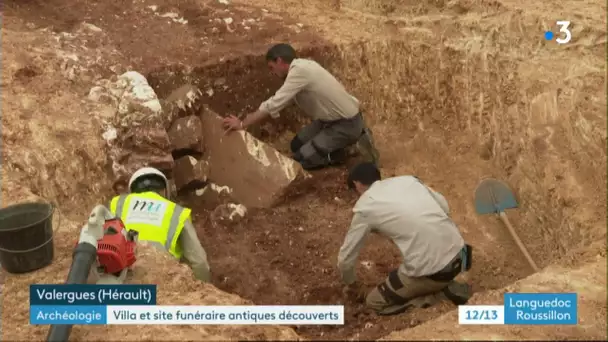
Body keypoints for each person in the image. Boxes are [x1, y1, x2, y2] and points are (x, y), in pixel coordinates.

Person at [337, 162, 472, 316]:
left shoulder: (365, 207)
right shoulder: (408, 181)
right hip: (462, 254)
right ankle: (441, 280)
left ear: (357, 184)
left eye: (355, 191)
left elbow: (345, 260)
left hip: (436, 272)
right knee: (411, 267)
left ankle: (443, 295)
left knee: (374, 302)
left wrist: (351, 284)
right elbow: (444, 206)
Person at [222, 43, 379, 170]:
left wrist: (242, 124)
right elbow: (282, 102)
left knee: (302, 160)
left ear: (280, 61)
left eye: (271, 67)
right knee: (296, 145)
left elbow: (275, 102)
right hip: (329, 120)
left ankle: (352, 149)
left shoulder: (300, 72)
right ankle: (340, 143)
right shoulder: (302, 67)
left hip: (346, 123)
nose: (272, 72)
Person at [108, 167, 211, 282]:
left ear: (132, 190)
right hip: (158, 282)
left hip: (118, 280)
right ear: (164, 191)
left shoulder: (117, 203)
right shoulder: (177, 212)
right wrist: (203, 292)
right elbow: (200, 263)